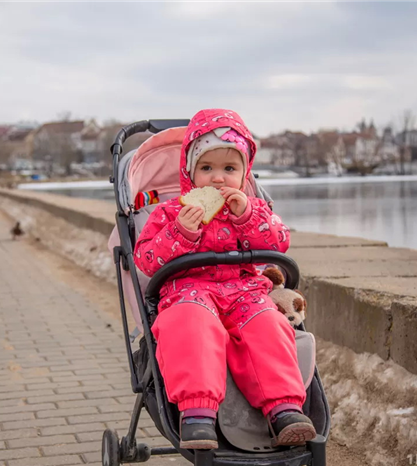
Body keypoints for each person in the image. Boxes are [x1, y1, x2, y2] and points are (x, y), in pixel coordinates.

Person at [134, 109, 316, 449]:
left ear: (245, 174)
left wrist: (247, 217)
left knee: (268, 326)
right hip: (189, 291)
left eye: (229, 169)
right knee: (189, 325)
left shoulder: (253, 210)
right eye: (207, 168)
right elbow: (145, 258)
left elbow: (279, 241)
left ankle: (284, 408)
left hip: (244, 292)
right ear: (189, 174)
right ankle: (198, 413)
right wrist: (181, 233)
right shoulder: (171, 212)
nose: (218, 179)